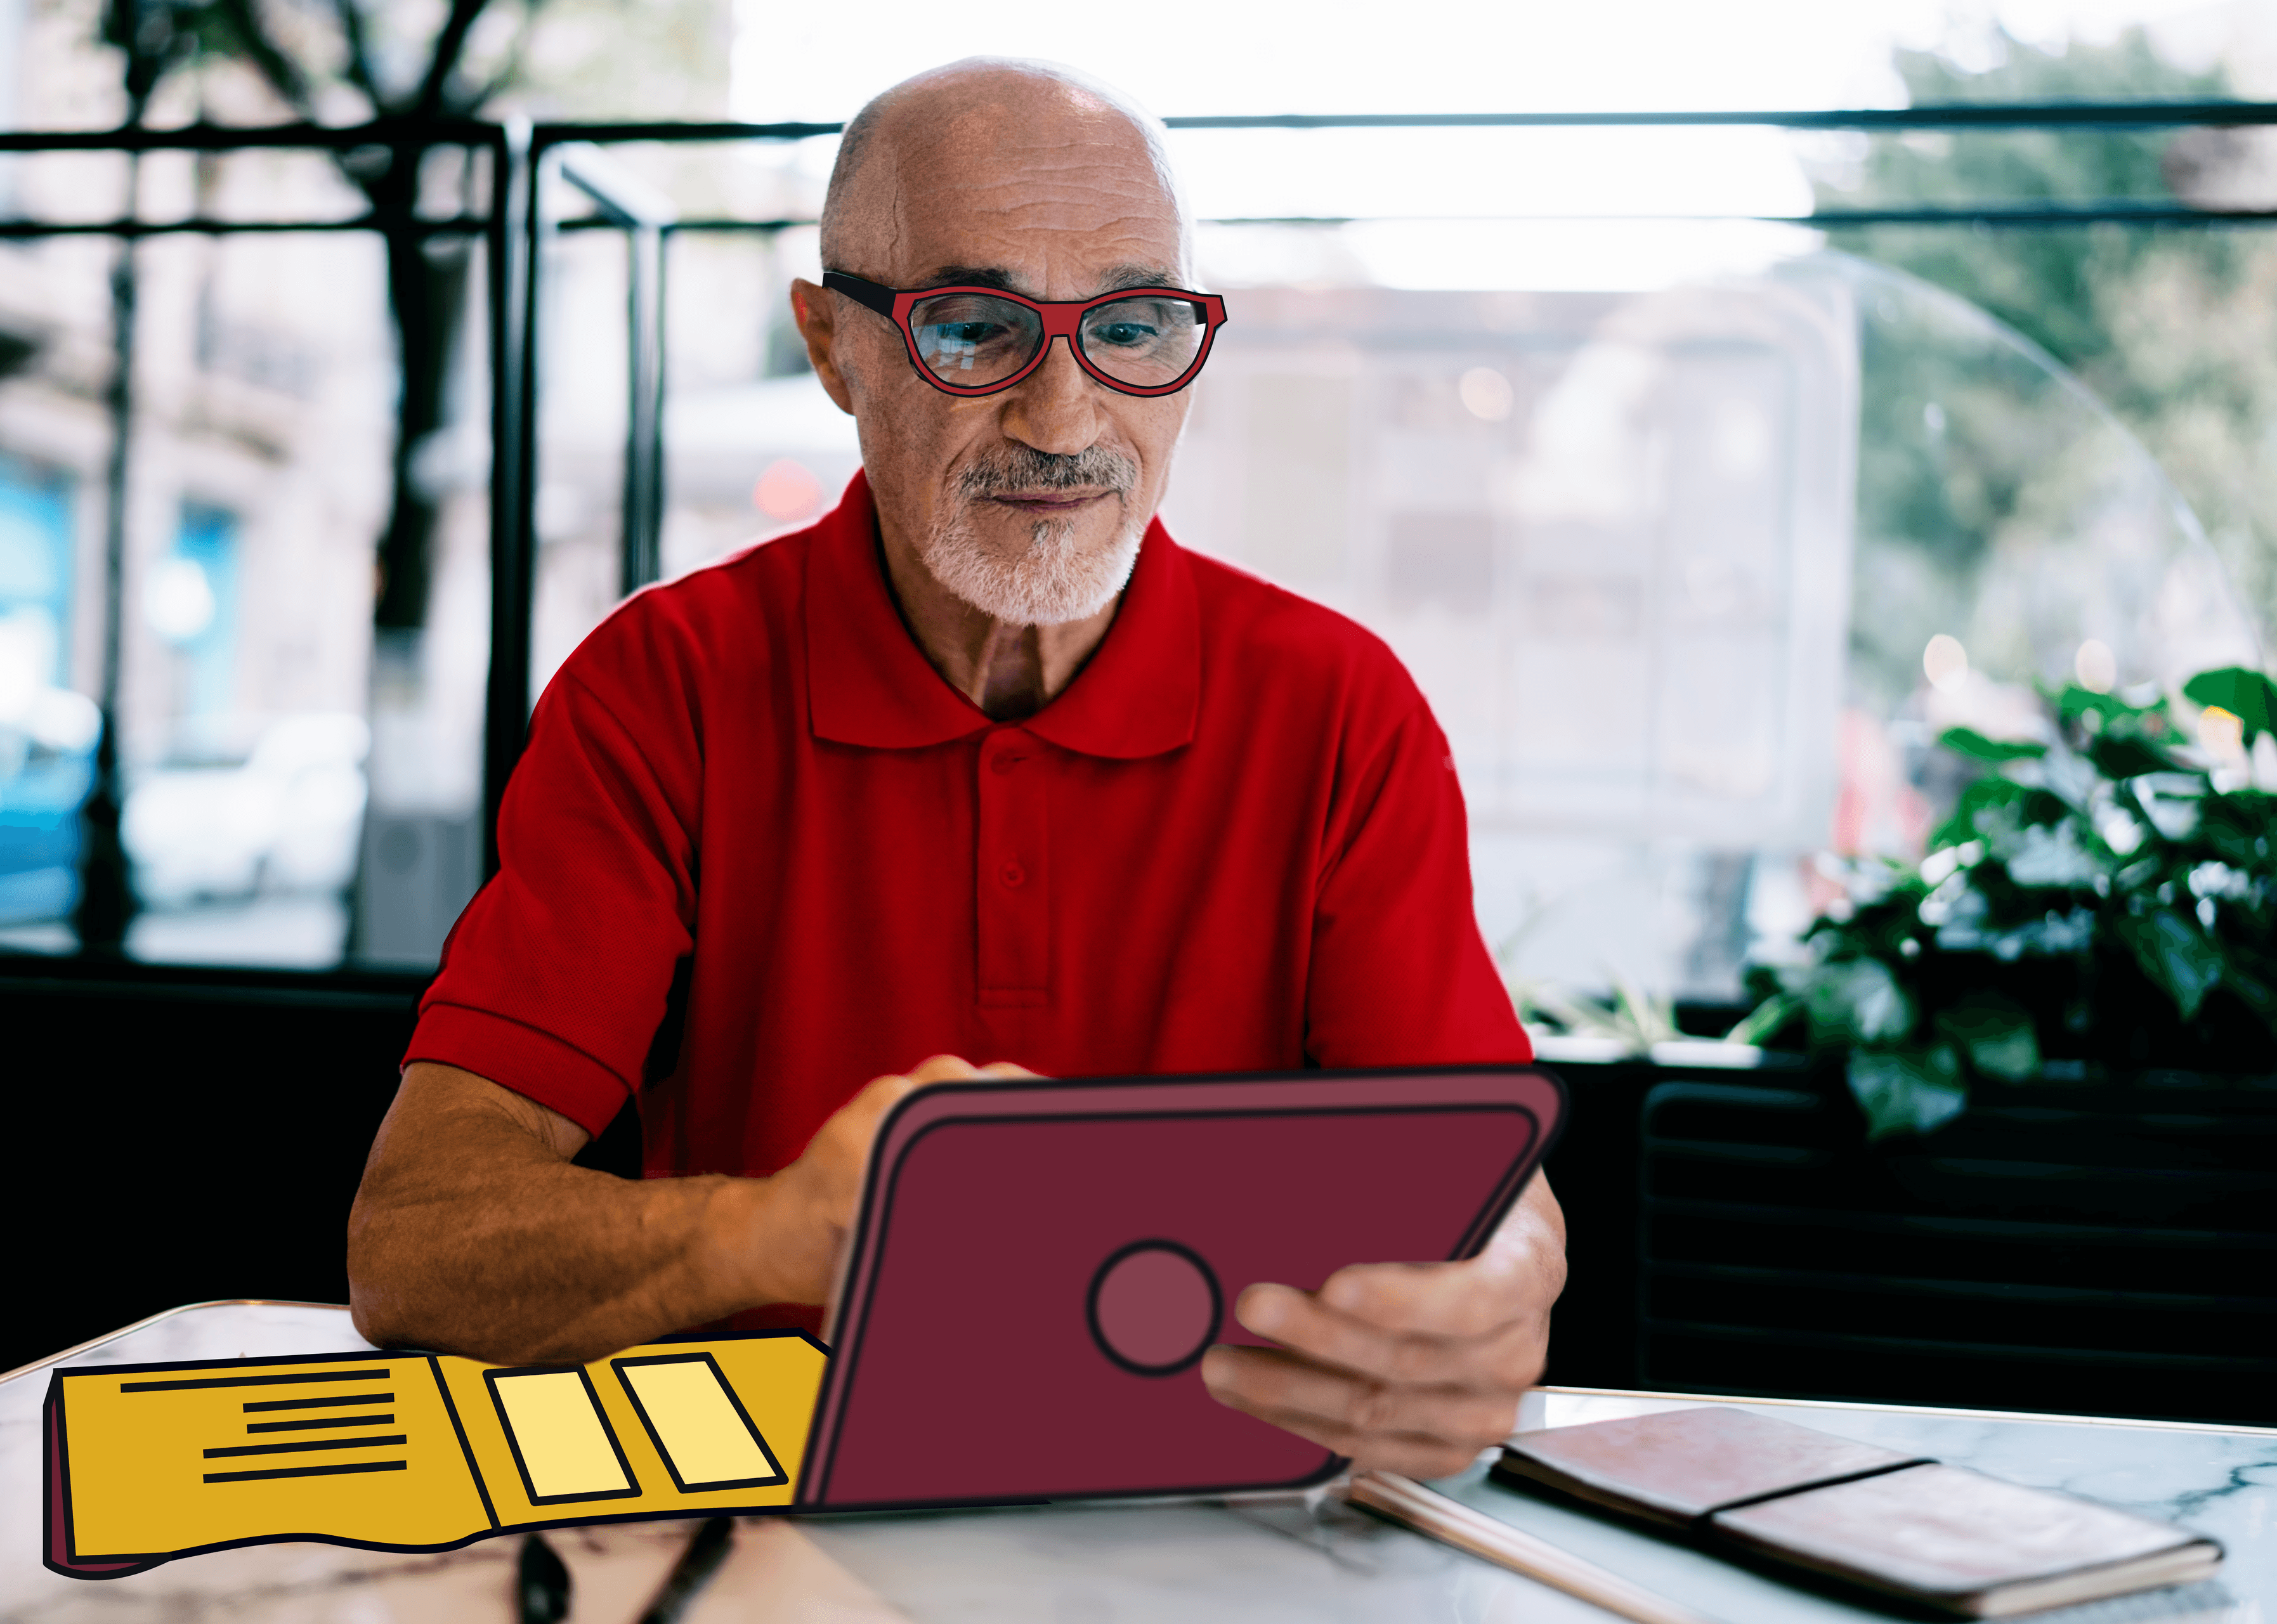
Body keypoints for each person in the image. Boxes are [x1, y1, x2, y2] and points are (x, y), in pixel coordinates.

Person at [348, 57, 1564, 1481]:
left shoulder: (1342, 711)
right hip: (764, 1530)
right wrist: (772, 1226)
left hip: (1207, 1525)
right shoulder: (663, 687)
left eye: (1133, 324)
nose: (1065, 420)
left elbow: (1493, 1182)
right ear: (831, 346)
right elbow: (416, 1239)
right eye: (974, 328)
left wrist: (1495, 1294)